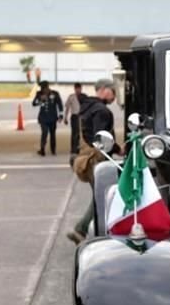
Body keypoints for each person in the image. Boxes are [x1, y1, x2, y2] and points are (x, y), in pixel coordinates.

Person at [68, 78, 117, 244]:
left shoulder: (86, 107)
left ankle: (84, 229)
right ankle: (82, 229)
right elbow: (100, 137)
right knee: (103, 195)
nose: (115, 95)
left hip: (83, 158)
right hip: (95, 159)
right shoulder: (101, 111)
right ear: (103, 90)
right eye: (113, 91)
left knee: (100, 195)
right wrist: (117, 149)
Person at [33, 81, 63, 156]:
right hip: (43, 118)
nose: (43, 90)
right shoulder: (39, 93)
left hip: (53, 118)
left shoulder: (55, 94)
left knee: (53, 134)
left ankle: (53, 150)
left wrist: (61, 115)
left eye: (44, 89)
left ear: (47, 87)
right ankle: (42, 149)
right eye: (42, 89)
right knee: (44, 132)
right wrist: (41, 101)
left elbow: (59, 104)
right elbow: (34, 103)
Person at [63, 82, 87, 161]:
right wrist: (65, 117)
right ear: (74, 89)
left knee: (82, 133)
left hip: (82, 116)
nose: (78, 90)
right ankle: (73, 149)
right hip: (74, 116)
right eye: (76, 89)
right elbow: (67, 108)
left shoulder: (84, 97)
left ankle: (79, 147)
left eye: (79, 89)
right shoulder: (71, 97)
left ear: (81, 89)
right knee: (74, 133)